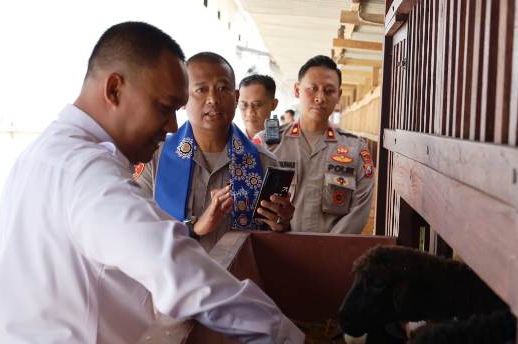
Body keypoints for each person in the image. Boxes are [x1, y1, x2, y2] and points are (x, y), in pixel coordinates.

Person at [0, 22, 323, 344]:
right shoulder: (87, 175)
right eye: (164, 108)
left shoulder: (44, 154)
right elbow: (175, 268)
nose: (171, 128)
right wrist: (285, 343)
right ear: (114, 89)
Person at [133, 53, 294, 252]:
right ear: (183, 97)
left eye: (222, 88)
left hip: (237, 280)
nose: (213, 99)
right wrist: (194, 228)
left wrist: (282, 224)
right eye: (201, 89)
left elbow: (274, 244)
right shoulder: (154, 157)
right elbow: (135, 229)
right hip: (171, 278)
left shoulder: (263, 163)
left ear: (235, 98)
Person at [258, 55, 374, 234]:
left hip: (331, 254)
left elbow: (359, 211)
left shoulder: (356, 149)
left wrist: (325, 250)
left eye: (329, 91)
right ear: (297, 90)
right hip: (274, 250)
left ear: (339, 95)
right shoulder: (266, 144)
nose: (320, 98)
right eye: (312, 89)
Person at [237, 73, 279, 145]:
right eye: (244, 105)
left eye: (257, 105)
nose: (249, 112)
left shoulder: (287, 145)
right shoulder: (230, 144)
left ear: (273, 105)